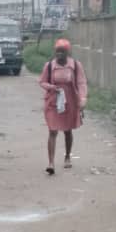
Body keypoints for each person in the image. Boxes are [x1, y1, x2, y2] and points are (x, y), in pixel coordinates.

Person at [38, 37, 87, 175]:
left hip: (70, 100)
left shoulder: (75, 65)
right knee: (52, 130)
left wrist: (83, 98)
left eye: (62, 52)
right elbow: (41, 82)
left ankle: (67, 156)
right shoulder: (49, 66)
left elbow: (81, 82)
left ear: (67, 52)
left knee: (67, 130)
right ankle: (51, 163)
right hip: (53, 100)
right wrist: (52, 87)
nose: (59, 54)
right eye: (57, 52)